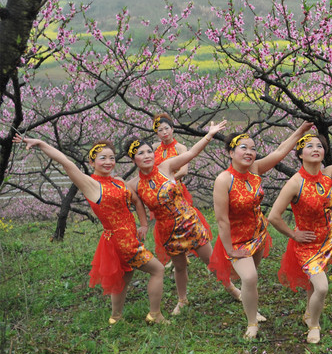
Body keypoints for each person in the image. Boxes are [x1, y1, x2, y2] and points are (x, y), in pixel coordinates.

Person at [13, 135, 167, 324]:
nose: (108, 162)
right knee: (158, 270)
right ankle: (155, 315)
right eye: (102, 158)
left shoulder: (117, 181)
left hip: (126, 238)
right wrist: (41, 144)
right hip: (121, 241)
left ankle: (115, 318)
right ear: (92, 162)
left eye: (111, 157)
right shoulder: (92, 185)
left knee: (125, 277)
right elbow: (67, 163)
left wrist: (143, 224)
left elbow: (135, 199)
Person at [208, 122, 313, 339]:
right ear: (230, 152)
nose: (249, 152)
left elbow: (280, 151)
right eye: (243, 148)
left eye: (253, 148)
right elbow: (222, 220)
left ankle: (252, 308)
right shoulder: (223, 180)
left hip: (258, 234)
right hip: (236, 239)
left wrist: (300, 131)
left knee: (252, 277)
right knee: (250, 278)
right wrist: (229, 250)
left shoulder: (255, 170)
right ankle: (252, 323)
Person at [125, 120, 240, 315]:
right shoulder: (133, 184)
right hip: (167, 230)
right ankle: (182, 299)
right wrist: (143, 224)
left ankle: (231, 288)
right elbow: (137, 204)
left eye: (148, 151)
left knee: (210, 260)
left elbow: (192, 153)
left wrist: (209, 134)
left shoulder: (166, 166)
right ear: (133, 159)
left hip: (188, 221)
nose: (146, 156)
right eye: (140, 153)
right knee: (179, 267)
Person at [268, 119, 332, 344]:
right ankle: (313, 325)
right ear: (300, 154)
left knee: (314, 284)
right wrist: (294, 235)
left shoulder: (328, 175)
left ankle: (308, 313)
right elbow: (273, 216)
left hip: (327, 240)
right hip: (305, 244)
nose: (316, 149)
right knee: (322, 286)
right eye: (309, 146)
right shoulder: (295, 183)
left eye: (320, 146)